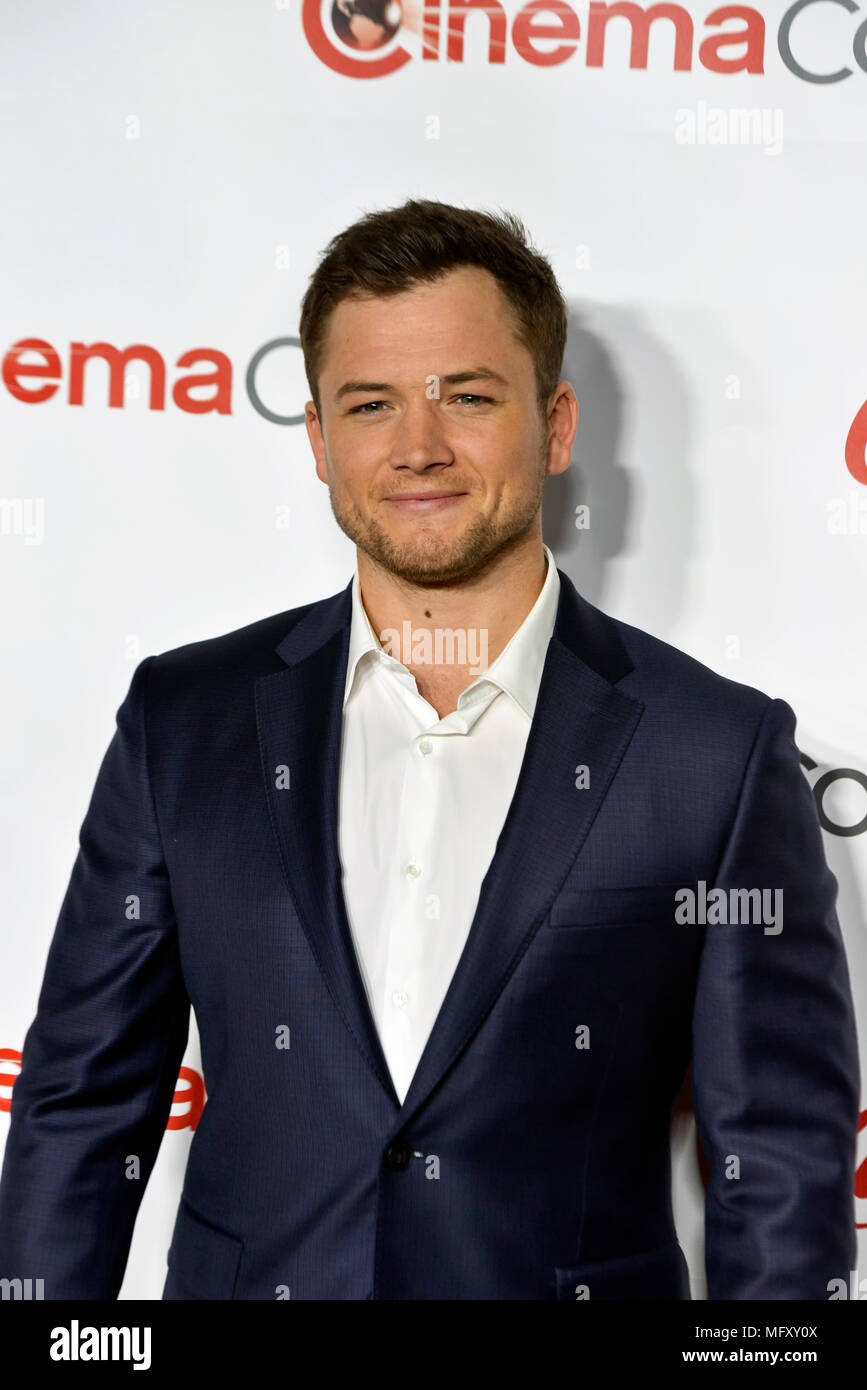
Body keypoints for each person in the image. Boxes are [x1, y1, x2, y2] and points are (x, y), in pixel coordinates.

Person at [0, 198, 859, 1300]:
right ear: (319, 442)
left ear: (555, 425)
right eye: (371, 404)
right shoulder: (185, 721)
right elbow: (81, 1106)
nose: (418, 446)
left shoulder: (714, 753)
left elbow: (778, 1160)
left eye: (467, 396)